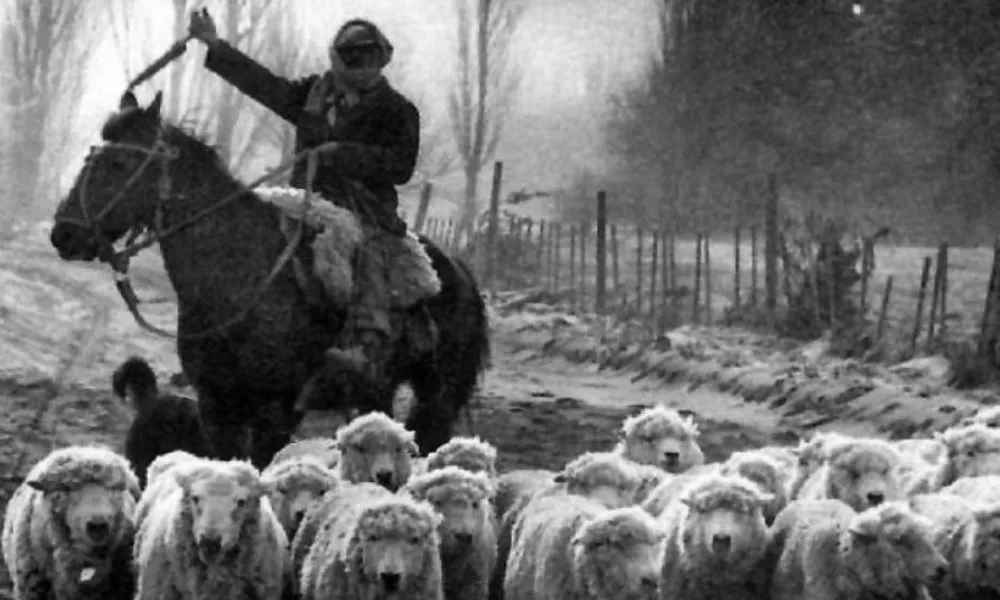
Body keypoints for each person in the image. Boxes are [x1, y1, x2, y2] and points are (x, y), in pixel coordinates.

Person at [187, 8, 437, 396]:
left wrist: (344, 153)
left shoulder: (399, 111)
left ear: (381, 60)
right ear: (337, 58)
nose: (360, 68)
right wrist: (216, 46)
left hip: (363, 207)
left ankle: (364, 345)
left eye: (368, 59)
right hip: (303, 199)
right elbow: (265, 85)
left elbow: (400, 167)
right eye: (351, 58)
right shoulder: (312, 95)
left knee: (366, 252)